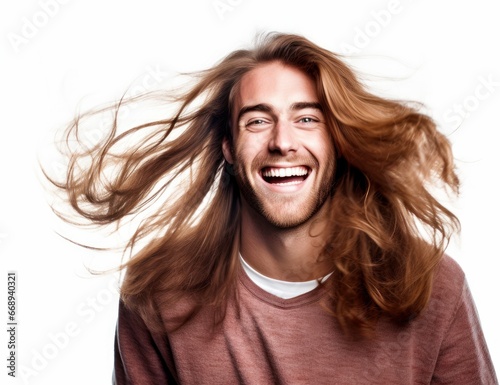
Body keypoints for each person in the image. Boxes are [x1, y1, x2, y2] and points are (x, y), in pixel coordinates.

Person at [49, 33, 497, 384]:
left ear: (338, 142)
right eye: (258, 121)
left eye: (307, 119)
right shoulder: (159, 291)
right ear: (228, 145)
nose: (283, 142)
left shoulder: (431, 285)